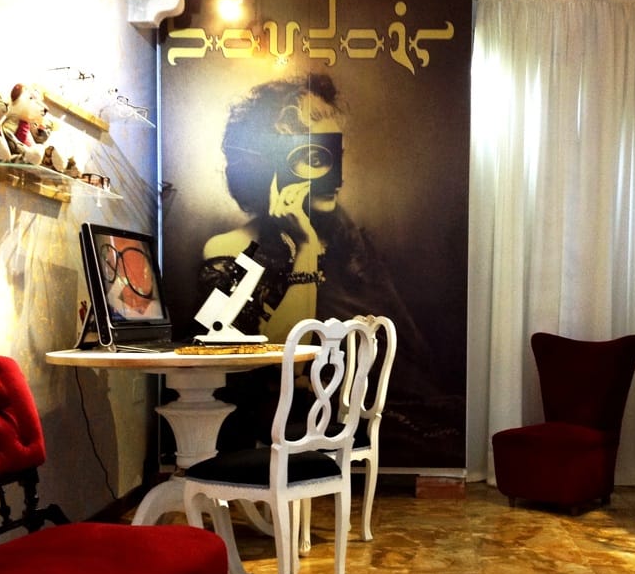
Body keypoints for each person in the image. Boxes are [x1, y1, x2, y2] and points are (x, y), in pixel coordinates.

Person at [197, 74, 461, 463]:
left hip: (365, 415)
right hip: (283, 423)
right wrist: (302, 249)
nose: (336, 179)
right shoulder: (228, 249)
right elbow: (279, 358)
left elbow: (409, 359)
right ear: (267, 166)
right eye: (314, 157)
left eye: (337, 154)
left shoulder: (350, 243)